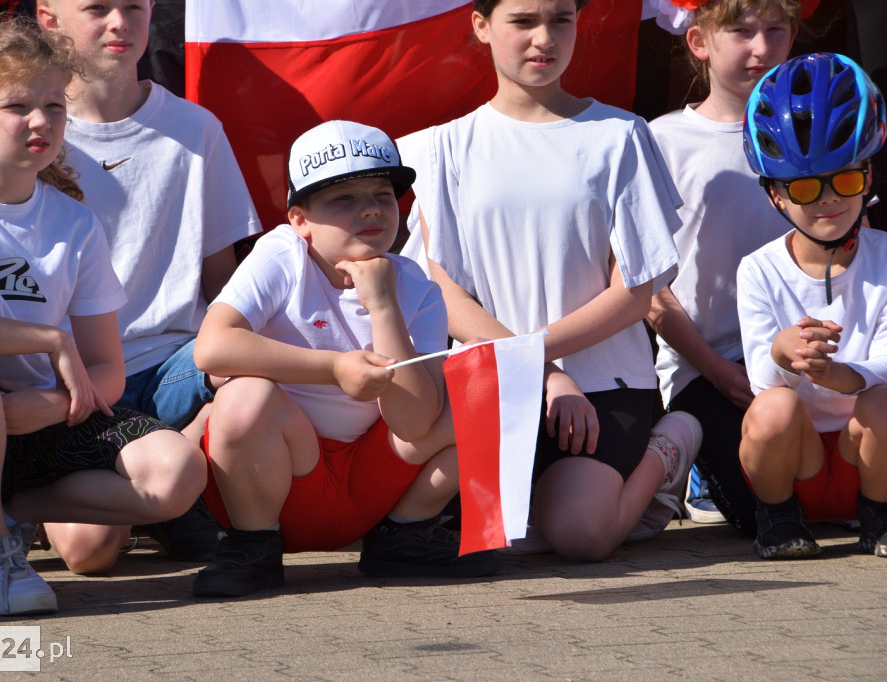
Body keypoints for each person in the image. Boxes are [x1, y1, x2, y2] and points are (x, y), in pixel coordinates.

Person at [0, 17, 207, 615]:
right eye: (18, 105)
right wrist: (48, 338)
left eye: (54, 105)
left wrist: (50, 404)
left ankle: (9, 513)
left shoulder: (75, 223)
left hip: (40, 427)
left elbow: (105, 369)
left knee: (177, 473)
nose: (41, 122)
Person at [403, 0, 703, 562]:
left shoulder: (619, 135)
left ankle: (669, 446)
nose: (544, 38)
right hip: (492, 384)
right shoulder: (441, 147)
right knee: (480, 539)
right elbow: (443, 290)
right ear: (481, 26)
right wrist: (541, 373)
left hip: (604, 385)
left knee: (582, 536)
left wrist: (541, 362)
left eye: (561, 20)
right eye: (523, 22)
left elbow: (635, 292)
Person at [191, 120, 500, 598]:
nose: (370, 210)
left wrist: (383, 305)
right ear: (299, 220)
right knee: (242, 395)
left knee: (491, 381)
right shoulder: (280, 255)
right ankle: (252, 547)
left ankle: (404, 537)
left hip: (373, 485)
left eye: (382, 193)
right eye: (343, 200)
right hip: (284, 478)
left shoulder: (415, 284)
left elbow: (415, 421)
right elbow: (212, 348)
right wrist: (335, 369)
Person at [35, 0, 261, 571]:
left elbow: (224, 287)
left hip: (173, 367)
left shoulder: (196, 128)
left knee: (250, 369)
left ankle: (181, 485)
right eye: (96, 8)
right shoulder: (31, 134)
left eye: (134, 6)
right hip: (74, 382)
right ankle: (169, 497)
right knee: (89, 555)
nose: (120, 22)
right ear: (47, 18)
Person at [647, 0, 801, 532]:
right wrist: (716, 370)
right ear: (699, 42)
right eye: (741, 32)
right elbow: (647, 287)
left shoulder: (808, 127)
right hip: (707, 369)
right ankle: (692, 459)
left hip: (806, 360)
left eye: (775, 30)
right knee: (759, 515)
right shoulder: (662, 142)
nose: (761, 49)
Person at [737, 52, 887, 558]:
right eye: (804, 187)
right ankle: (777, 519)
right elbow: (761, 383)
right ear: (776, 197)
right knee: (773, 407)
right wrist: (781, 354)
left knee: (882, 401)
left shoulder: (884, 257)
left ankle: (878, 515)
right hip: (793, 464)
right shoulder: (757, 269)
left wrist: (841, 374)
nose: (827, 199)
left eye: (844, 180)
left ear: (868, 175)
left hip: (866, 459)